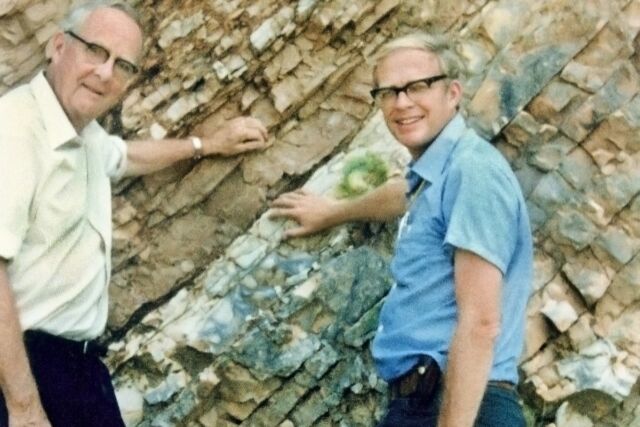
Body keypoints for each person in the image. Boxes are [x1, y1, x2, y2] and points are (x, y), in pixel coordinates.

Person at [0, 1, 268, 426]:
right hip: (25, 372)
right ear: (57, 46)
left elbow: (125, 156)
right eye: (94, 51)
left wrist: (206, 144)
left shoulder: (80, 131)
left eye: (122, 65)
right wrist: (23, 407)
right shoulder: (15, 130)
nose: (105, 73)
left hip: (79, 372)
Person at [270, 32, 532, 427]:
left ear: (453, 92)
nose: (401, 102)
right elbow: (403, 195)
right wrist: (334, 212)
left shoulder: (473, 172)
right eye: (388, 92)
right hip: (425, 403)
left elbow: (481, 322)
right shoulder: (436, 175)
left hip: (462, 407)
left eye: (417, 86)